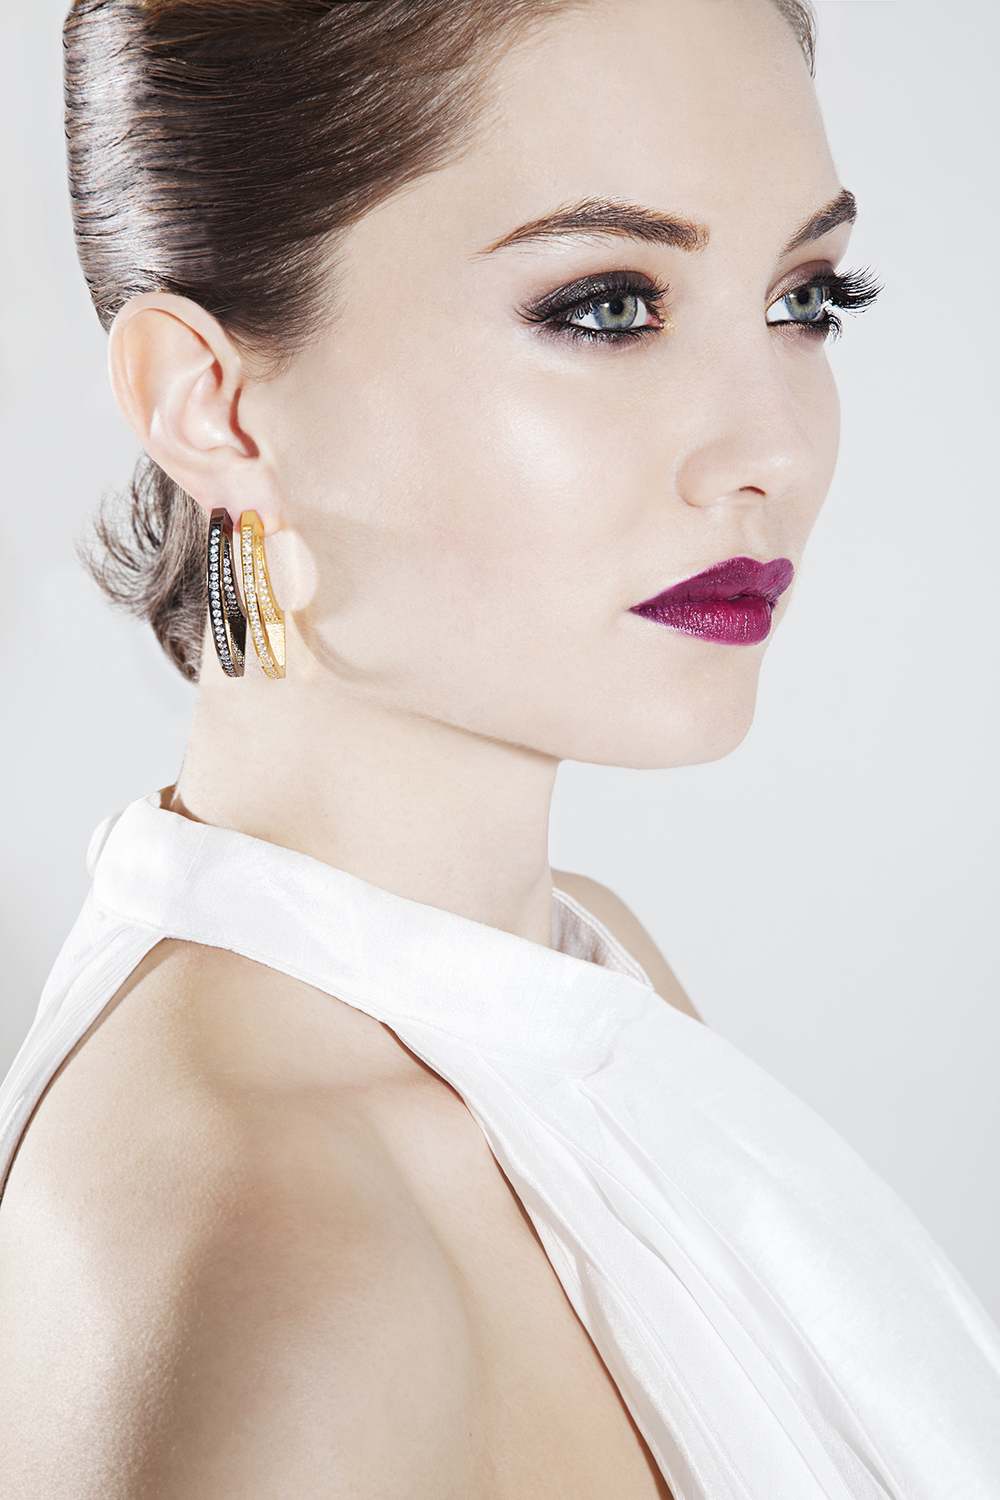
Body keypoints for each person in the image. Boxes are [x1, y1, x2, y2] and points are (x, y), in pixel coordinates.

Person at [0, 0, 997, 1496]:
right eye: (608, 306)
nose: (775, 449)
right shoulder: (282, 1266)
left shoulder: (570, 980)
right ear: (211, 405)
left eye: (806, 298)